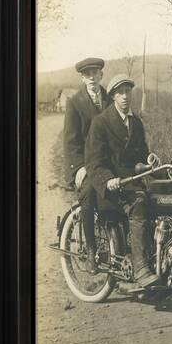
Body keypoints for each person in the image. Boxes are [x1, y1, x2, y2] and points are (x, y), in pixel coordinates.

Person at [85, 74, 159, 288]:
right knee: (138, 205)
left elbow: (141, 153)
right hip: (111, 187)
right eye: (120, 93)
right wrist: (108, 180)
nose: (125, 96)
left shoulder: (136, 122)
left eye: (128, 91)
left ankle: (155, 261)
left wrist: (148, 159)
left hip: (132, 181)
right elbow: (94, 162)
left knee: (157, 202)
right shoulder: (100, 123)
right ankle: (140, 268)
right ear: (113, 96)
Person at [63, 57, 111, 273]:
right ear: (82, 77)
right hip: (83, 166)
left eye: (95, 73)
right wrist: (80, 167)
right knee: (90, 194)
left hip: (106, 164)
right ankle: (91, 251)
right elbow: (71, 141)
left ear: (101, 75)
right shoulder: (75, 103)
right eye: (87, 74)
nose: (92, 78)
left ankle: (120, 248)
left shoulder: (111, 99)